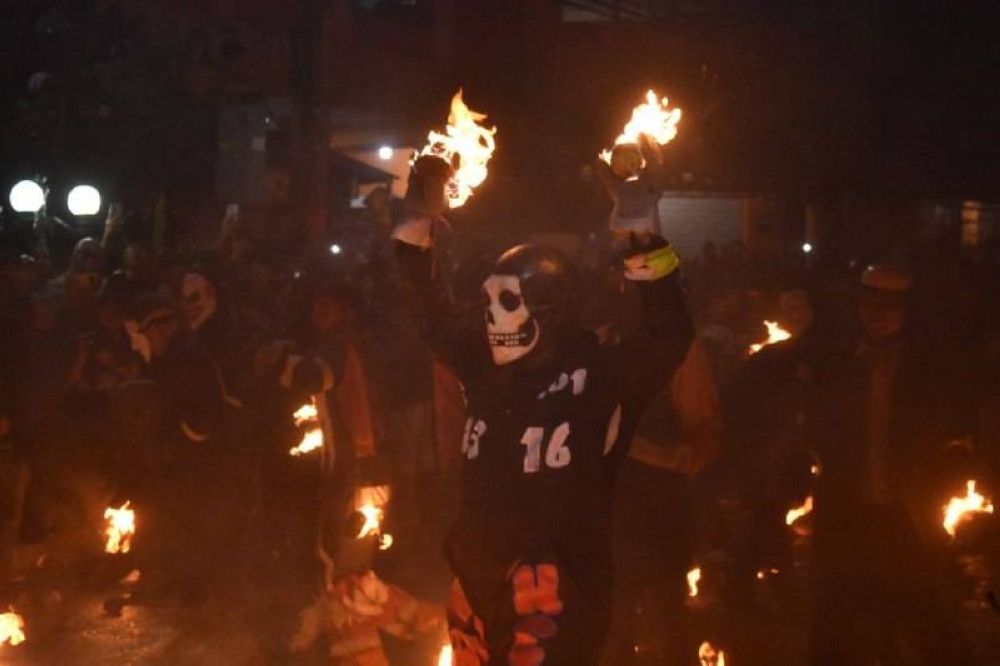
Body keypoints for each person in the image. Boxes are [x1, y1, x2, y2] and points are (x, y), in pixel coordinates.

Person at [394, 155, 693, 665]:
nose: (492, 321)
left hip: (554, 591)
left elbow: (668, 333)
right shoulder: (482, 363)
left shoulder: (599, 375)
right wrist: (416, 223)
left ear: (552, 310)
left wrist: (642, 236)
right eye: (488, 305)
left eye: (509, 304)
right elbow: (427, 310)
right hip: (478, 581)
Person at [806, 264, 975, 664]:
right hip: (847, 516)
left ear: (907, 312)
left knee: (924, 617)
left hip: (906, 517)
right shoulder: (837, 367)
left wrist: (945, 477)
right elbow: (813, 431)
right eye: (870, 303)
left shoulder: (929, 371)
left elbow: (959, 434)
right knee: (836, 624)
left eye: (889, 305)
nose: (878, 313)